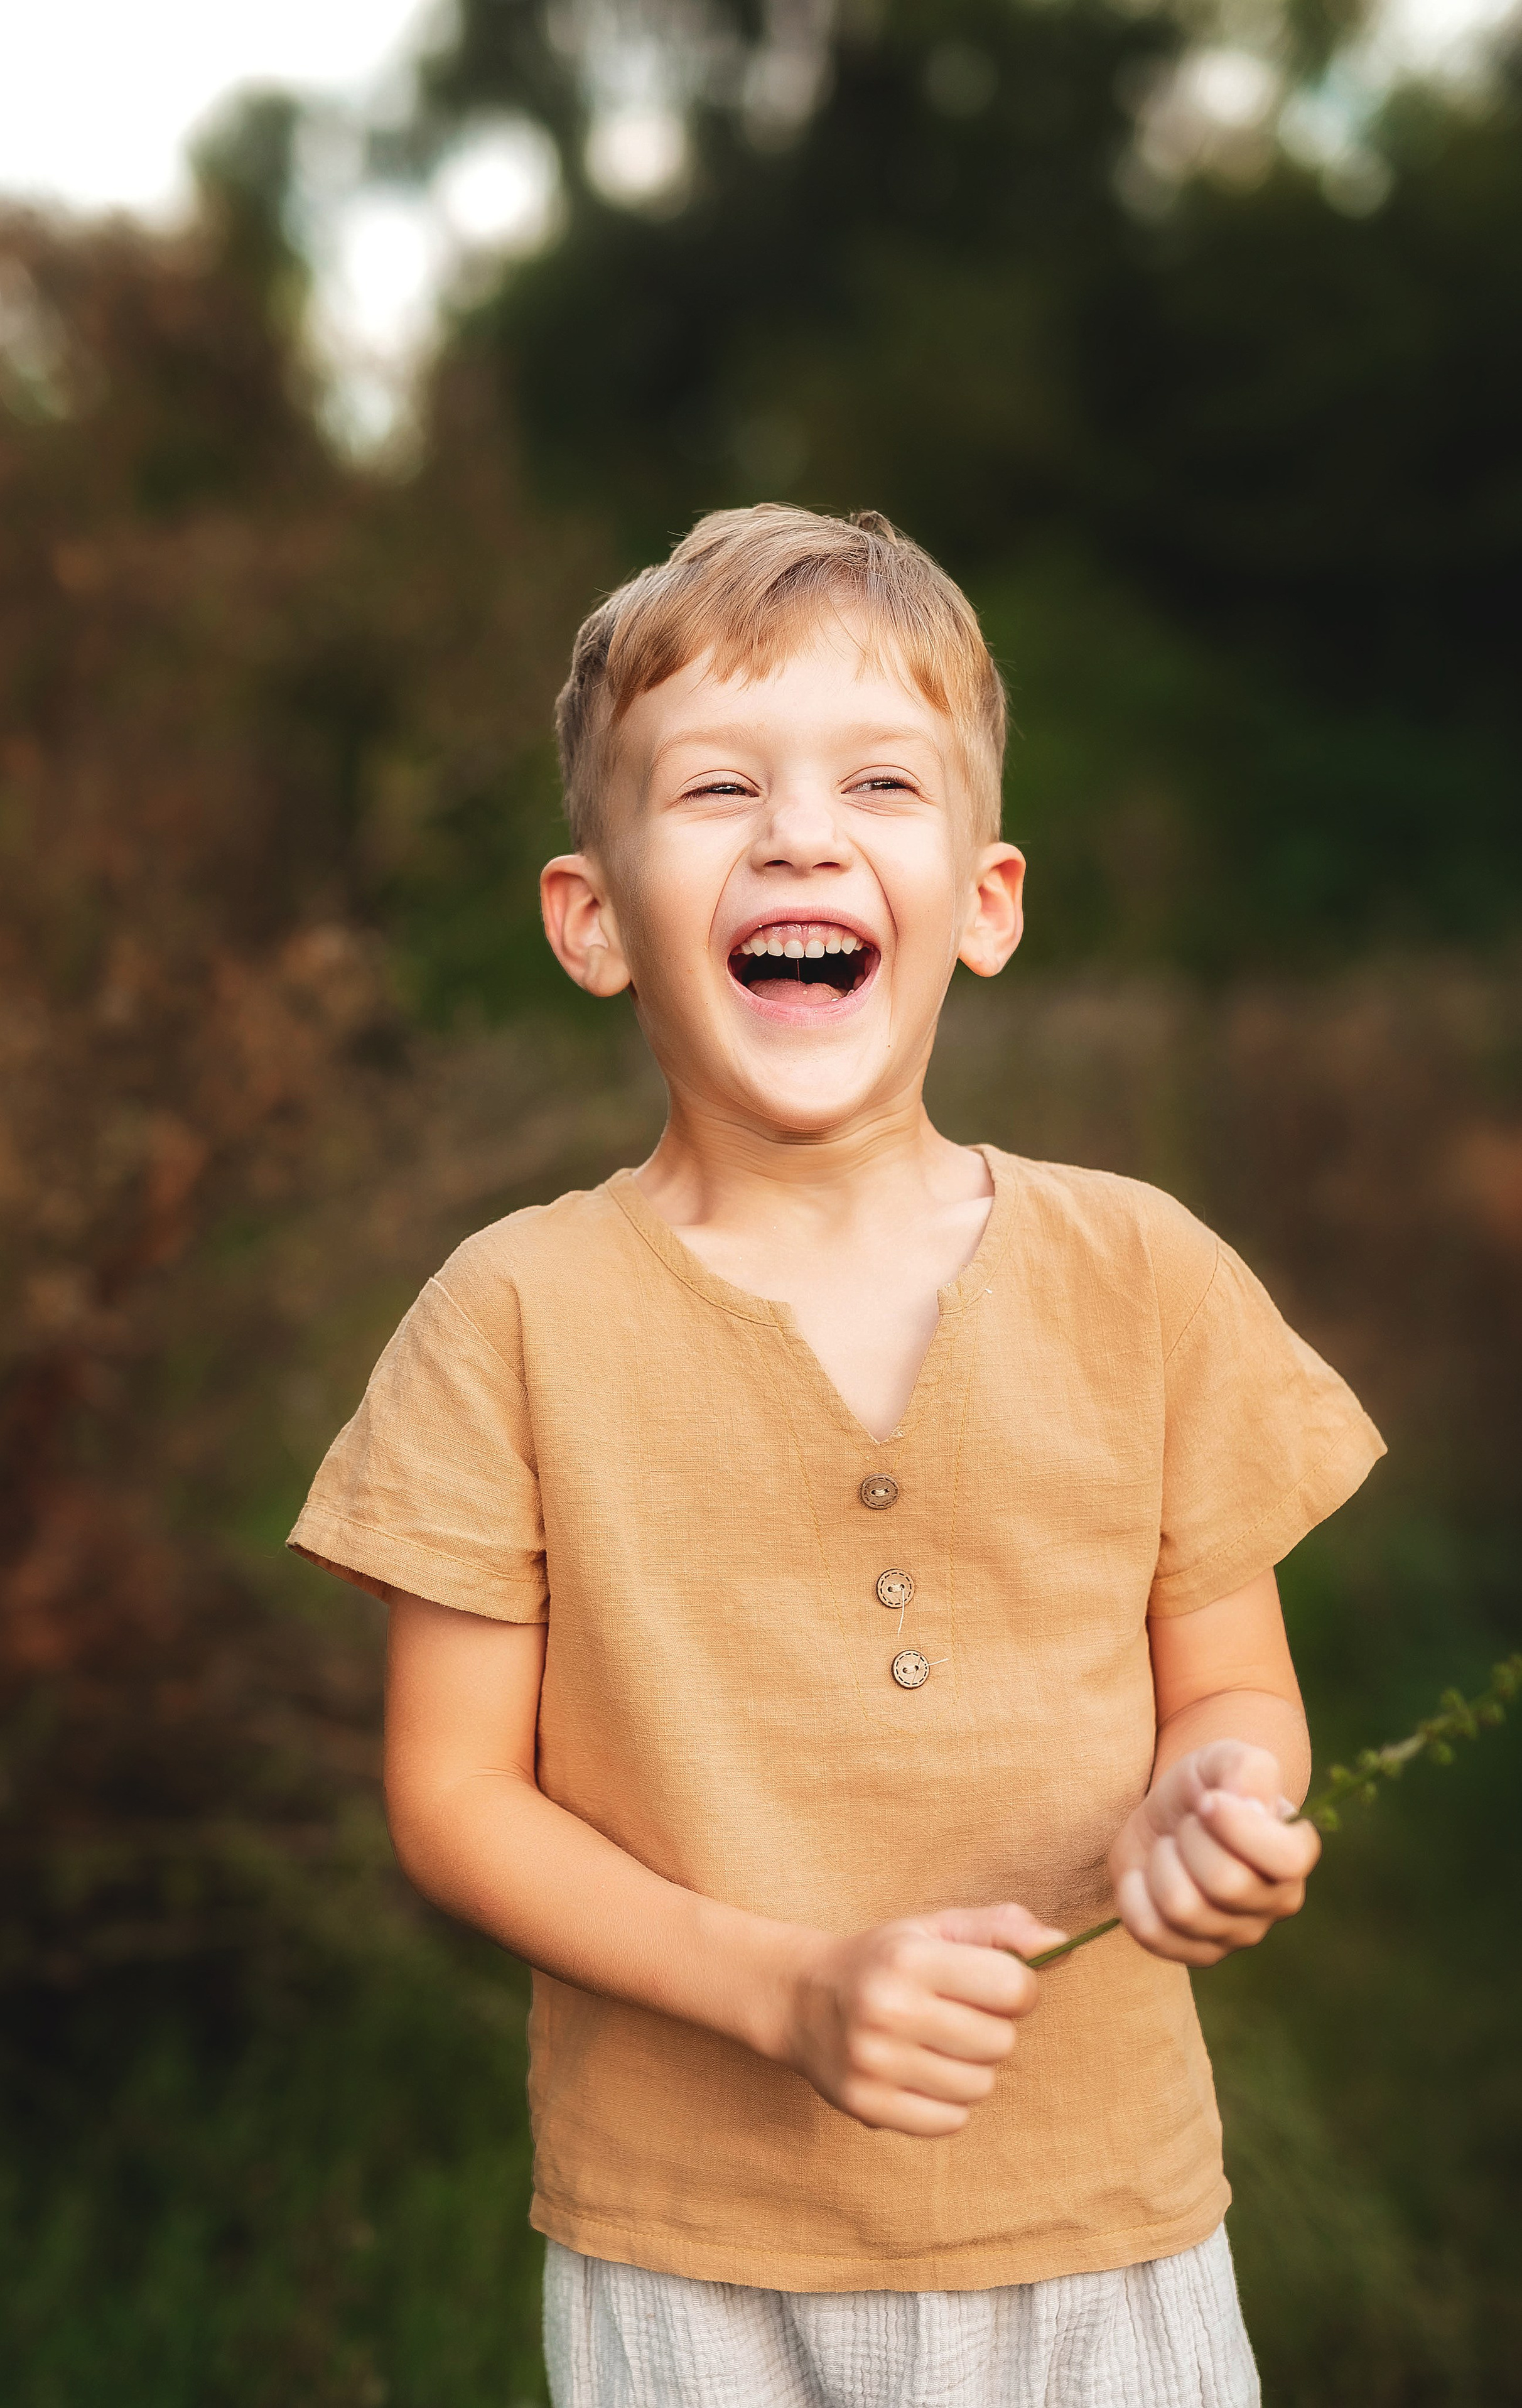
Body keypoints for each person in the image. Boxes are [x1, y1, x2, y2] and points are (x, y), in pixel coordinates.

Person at [289, 505, 1384, 2407]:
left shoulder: (1144, 1272)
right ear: (593, 916)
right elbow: (455, 1793)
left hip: (1104, 2223)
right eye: (717, 787)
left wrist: (1222, 1803)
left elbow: (1235, 1691)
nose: (803, 833)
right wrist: (780, 1992)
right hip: (690, 2249)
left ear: (985, 899)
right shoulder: (514, 1312)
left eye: (881, 780)